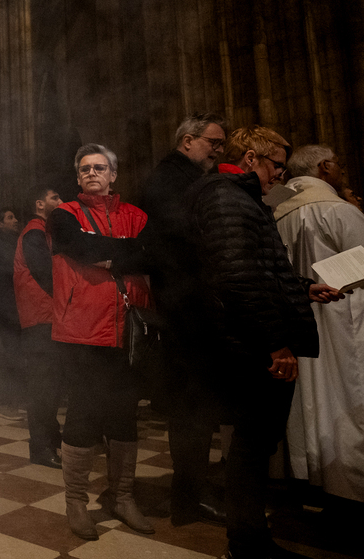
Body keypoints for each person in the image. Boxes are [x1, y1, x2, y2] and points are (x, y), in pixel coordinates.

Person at [183, 126, 343, 559]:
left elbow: (260, 268)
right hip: (251, 345)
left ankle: (250, 541)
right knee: (251, 449)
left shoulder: (239, 196)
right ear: (251, 158)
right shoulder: (226, 197)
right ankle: (247, 545)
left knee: (255, 446)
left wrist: (304, 287)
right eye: (276, 165)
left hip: (252, 339)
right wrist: (275, 343)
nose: (280, 175)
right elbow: (238, 278)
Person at [48, 143, 154, 540]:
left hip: (129, 329)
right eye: (85, 169)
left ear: (113, 174)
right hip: (83, 330)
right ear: (78, 177)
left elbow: (154, 255)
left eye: (100, 167)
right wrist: (126, 251)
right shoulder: (64, 214)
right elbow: (78, 247)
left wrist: (108, 255)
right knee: (84, 414)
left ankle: (122, 497)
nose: (92, 173)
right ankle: (76, 502)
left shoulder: (137, 216)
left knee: (124, 414)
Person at [138, 112, 228, 526]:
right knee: (192, 406)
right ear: (188, 140)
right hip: (185, 308)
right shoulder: (169, 179)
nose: (218, 151)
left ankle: (192, 491)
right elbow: (185, 236)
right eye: (213, 142)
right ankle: (190, 496)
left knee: (199, 406)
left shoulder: (187, 176)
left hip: (193, 304)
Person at [273, 145, 364, 505]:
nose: (340, 171)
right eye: (338, 164)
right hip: (342, 318)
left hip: (293, 319)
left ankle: (302, 473)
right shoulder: (338, 209)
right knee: (344, 398)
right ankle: (346, 481)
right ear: (325, 167)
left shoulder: (276, 211)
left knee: (305, 402)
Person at [13, 184, 64, 468]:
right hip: (41, 319)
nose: (61, 200)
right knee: (43, 388)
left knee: (50, 385)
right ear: (40, 204)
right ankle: (41, 448)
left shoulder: (42, 231)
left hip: (45, 318)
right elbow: (47, 274)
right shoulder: (34, 232)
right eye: (55, 197)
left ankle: (51, 438)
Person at [0, 207, 24, 420]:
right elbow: (10, 269)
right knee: (9, 356)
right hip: (6, 308)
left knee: (16, 355)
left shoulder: (12, 240)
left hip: (15, 307)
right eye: (10, 218)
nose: (15, 220)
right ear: (0, 224)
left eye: (15, 216)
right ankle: (6, 404)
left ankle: (14, 401)